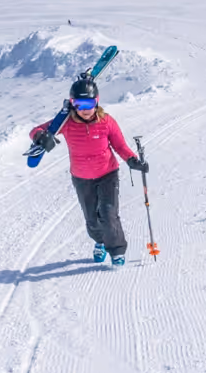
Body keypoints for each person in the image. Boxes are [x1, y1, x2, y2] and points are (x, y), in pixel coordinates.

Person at [30, 76, 148, 266]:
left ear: (97, 102)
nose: (85, 110)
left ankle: (117, 250)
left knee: (109, 214)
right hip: (81, 177)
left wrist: (132, 160)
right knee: (92, 219)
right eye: (79, 104)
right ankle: (99, 241)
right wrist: (40, 137)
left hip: (107, 174)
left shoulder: (106, 121)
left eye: (89, 104)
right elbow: (35, 130)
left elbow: (120, 146)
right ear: (72, 104)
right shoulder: (66, 122)